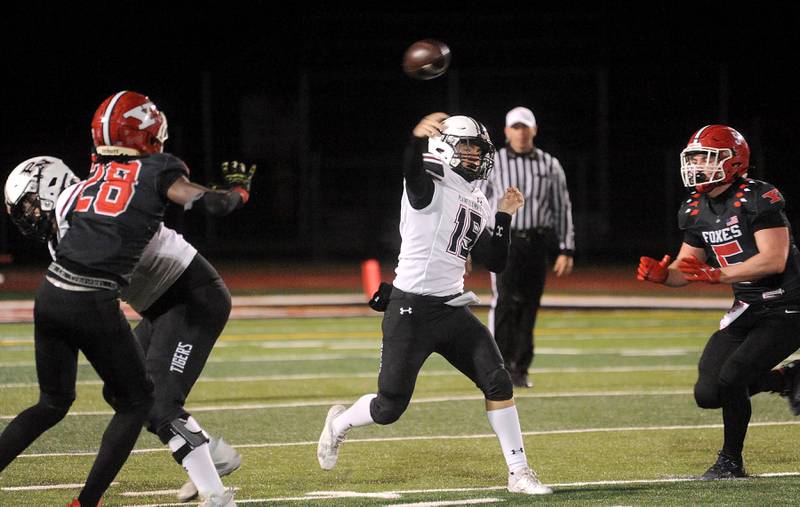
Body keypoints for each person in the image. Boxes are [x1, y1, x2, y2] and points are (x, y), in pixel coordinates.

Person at [0, 90, 252, 507]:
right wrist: (235, 191)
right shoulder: (83, 206)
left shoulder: (83, 202)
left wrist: (235, 194)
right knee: (125, 396)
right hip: (158, 303)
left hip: (192, 296)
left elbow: (181, 200)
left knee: (155, 401)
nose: (28, 218)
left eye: (28, 206)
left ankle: (217, 494)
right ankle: (209, 456)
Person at [316, 113, 553, 496]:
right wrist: (414, 138)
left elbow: (495, 260)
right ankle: (339, 423)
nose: (474, 155)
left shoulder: (478, 196)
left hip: (452, 308)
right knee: (389, 408)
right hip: (410, 310)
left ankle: (519, 472)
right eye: (466, 146)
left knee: (497, 380)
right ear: (444, 145)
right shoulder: (429, 180)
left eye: (478, 149)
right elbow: (411, 168)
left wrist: (505, 215)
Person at [637, 124, 800, 479]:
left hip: (788, 305)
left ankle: (730, 460)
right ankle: (787, 380)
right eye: (693, 157)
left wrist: (718, 275)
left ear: (733, 160)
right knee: (708, 392)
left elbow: (774, 259)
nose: (697, 164)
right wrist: (664, 276)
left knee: (733, 377)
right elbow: (687, 266)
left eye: (705, 157)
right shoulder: (695, 207)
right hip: (749, 306)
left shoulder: (759, 197)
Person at [479, 106, 575, 388]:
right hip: (505, 239)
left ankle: (520, 368)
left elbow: (561, 207)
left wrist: (566, 248)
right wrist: (478, 240)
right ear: (507, 131)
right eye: (515, 127)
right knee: (505, 303)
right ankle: (498, 366)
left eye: (525, 127)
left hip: (536, 242)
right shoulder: (493, 162)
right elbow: (480, 201)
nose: (520, 133)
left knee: (530, 306)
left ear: (534, 130)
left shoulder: (549, 164)